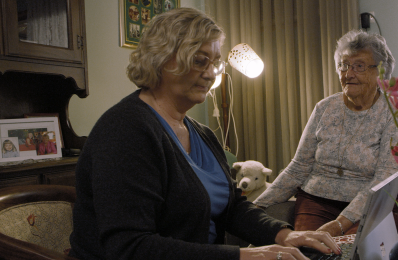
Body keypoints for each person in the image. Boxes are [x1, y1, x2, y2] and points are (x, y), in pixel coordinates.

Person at [68, 8, 340, 260]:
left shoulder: (202, 134)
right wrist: (247, 256)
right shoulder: (125, 131)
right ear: (161, 59)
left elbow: (231, 208)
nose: (210, 73)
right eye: (200, 61)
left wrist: (286, 235)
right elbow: (131, 247)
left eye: (215, 62)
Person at [254, 30, 398, 237]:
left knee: (352, 252)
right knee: (309, 251)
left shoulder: (392, 114)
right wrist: (256, 207)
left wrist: (339, 224)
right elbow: (298, 167)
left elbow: (384, 179)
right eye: (343, 65)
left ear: (381, 72)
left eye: (359, 66)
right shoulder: (325, 108)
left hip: (367, 204)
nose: (348, 74)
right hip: (316, 200)